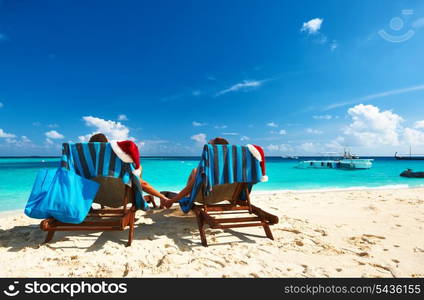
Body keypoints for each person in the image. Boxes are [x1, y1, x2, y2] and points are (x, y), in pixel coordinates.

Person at [88, 133, 170, 203]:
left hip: (97, 199)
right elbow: (143, 184)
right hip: (122, 200)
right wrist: (162, 197)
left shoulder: (85, 168)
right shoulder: (117, 165)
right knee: (138, 168)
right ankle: (139, 194)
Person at [161, 137, 229, 209]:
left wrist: (171, 201)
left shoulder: (203, 170)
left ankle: (183, 198)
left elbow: (189, 188)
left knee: (163, 193)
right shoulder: (234, 171)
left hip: (203, 199)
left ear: (212, 150)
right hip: (224, 197)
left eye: (209, 145)